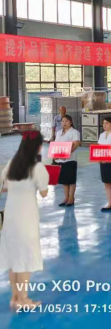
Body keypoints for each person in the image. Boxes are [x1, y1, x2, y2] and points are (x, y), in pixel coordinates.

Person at [0, 130, 49, 310]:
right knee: (25, 259)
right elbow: (44, 193)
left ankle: (14, 298)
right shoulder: (37, 168)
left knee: (14, 258)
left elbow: (3, 186)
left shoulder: (12, 164)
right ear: (38, 147)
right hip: (26, 217)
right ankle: (24, 299)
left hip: (10, 216)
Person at [53, 114, 81, 207]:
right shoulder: (58, 133)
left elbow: (76, 144)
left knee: (71, 179)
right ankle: (66, 197)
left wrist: (67, 153)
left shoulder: (74, 132)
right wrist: (55, 155)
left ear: (71, 122)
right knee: (64, 180)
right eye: (63, 121)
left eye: (66, 121)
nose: (64, 123)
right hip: (60, 160)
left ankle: (71, 198)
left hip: (70, 159)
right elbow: (56, 145)